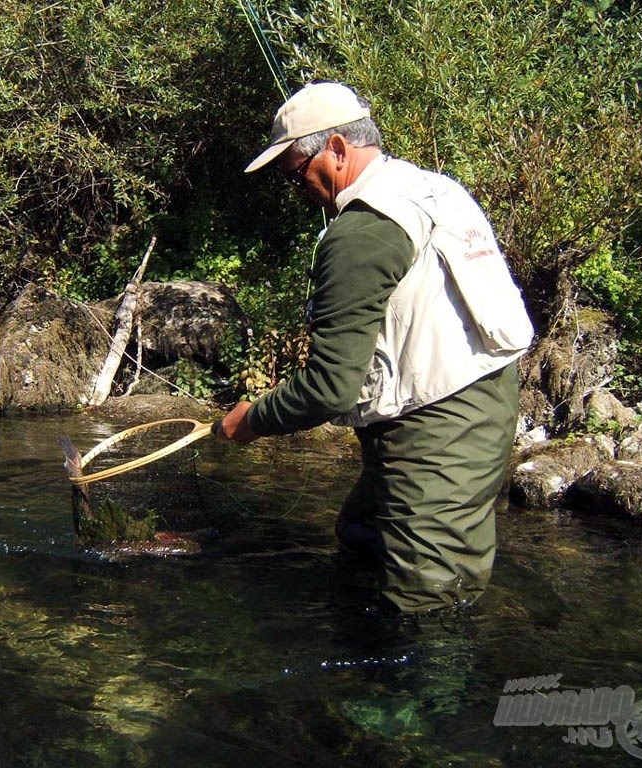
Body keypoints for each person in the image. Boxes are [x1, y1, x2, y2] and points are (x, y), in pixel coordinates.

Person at [215, 81, 534, 612]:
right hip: (487, 398)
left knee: (427, 597)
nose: (297, 187)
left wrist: (253, 420)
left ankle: (419, 694)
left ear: (337, 149)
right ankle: (362, 666)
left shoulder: (361, 232)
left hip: (438, 425)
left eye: (297, 172)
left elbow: (331, 388)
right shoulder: (435, 188)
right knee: (364, 535)